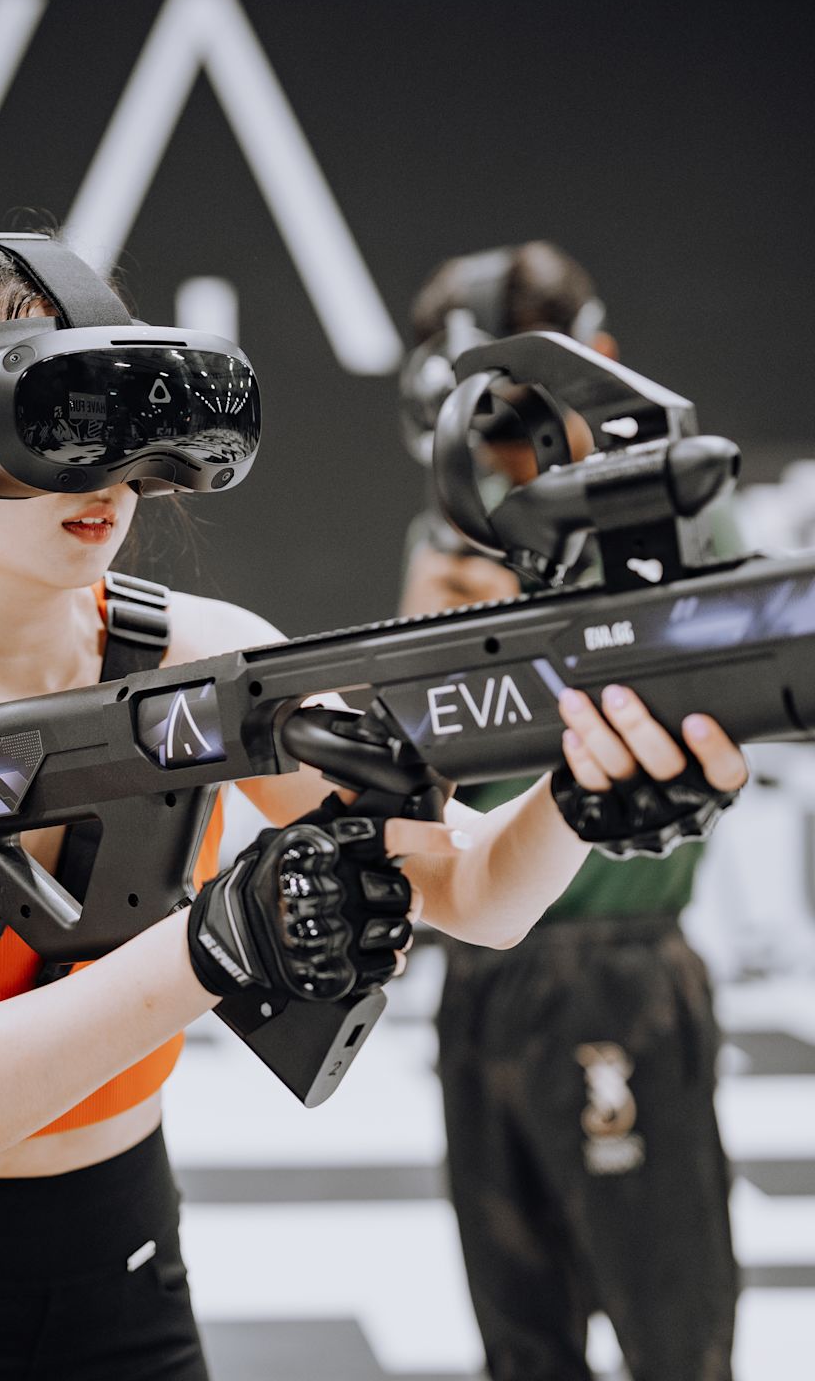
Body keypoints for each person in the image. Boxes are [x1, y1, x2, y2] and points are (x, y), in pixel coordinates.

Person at [0, 230, 747, 1381]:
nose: (107, 476)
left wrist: (582, 798)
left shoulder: (212, 656)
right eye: (53, 420)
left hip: (125, 1284)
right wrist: (216, 944)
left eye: (129, 420)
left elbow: (475, 890)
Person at [399, 241, 741, 1381]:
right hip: (484, 968)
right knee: (518, 1340)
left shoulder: (676, 513)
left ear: (591, 363)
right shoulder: (455, 531)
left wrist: (563, 623)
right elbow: (423, 773)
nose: (499, 442)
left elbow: (708, 723)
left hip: (619, 965)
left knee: (670, 1331)